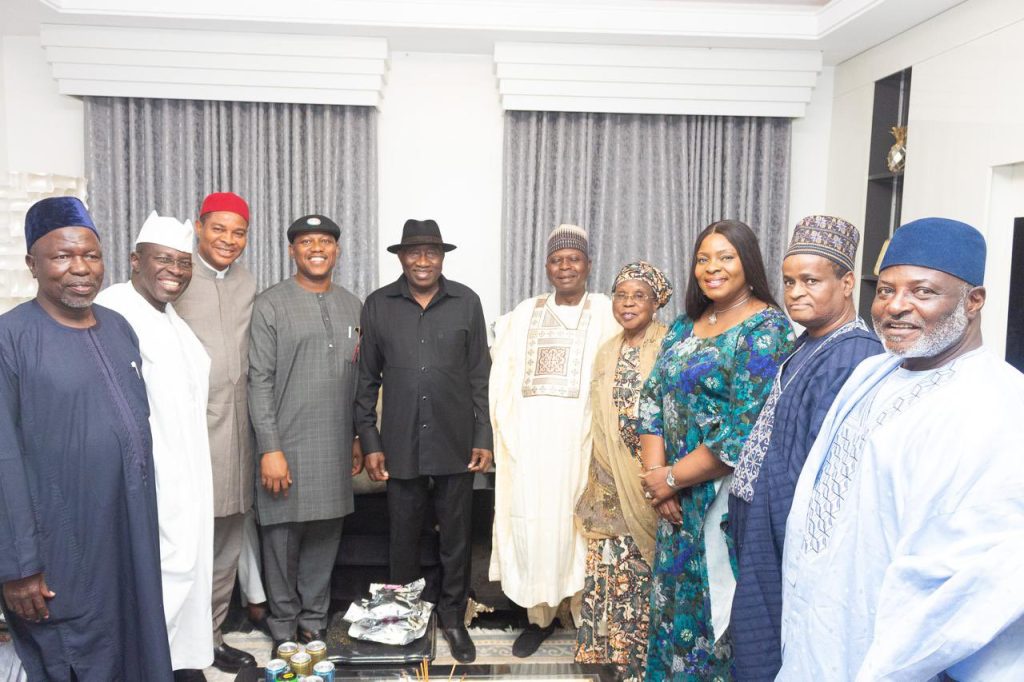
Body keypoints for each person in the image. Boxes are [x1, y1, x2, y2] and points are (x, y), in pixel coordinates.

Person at [779, 217, 1024, 680]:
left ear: (974, 301)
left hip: (900, 661)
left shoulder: (998, 404)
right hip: (821, 636)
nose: (896, 307)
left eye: (922, 292)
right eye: (886, 290)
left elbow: (981, 581)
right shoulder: (873, 373)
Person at [0, 196, 173, 680]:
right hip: (61, 548)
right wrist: (18, 567)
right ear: (33, 264)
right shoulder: (9, 339)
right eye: (62, 256)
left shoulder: (119, 328)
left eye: (91, 255)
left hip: (128, 532)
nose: (80, 268)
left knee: (136, 645)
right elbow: (3, 460)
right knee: (75, 654)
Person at [725, 215, 883, 681]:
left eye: (811, 280)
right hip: (763, 533)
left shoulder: (854, 352)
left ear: (847, 282)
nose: (795, 292)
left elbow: (821, 471)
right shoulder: (809, 343)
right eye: (790, 280)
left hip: (788, 542)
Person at [638, 219, 794, 680]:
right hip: (672, 504)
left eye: (725, 257)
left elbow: (741, 434)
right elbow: (651, 397)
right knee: (672, 613)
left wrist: (670, 479)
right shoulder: (687, 323)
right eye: (703, 259)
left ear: (748, 261)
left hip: (722, 507)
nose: (712, 268)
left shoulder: (766, 329)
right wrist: (658, 481)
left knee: (714, 619)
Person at [356, 219, 492, 664]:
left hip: (455, 443)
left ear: (442, 257)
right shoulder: (378, 305)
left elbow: (480, 377)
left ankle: (453, 618)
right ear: (400, 257)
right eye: (413, 252)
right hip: (399, 444)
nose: (422, 260)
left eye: (431, 252)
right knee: (403, 538)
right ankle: (403, 619)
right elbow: (366, 380)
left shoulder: (466, 302)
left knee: (456, 537)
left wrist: (482, 435)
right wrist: (371, 441)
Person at [96, 212, 216, 682]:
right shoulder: (113, 309)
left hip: (188, 471)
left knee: (189, 567)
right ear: (135, 260)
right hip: (151, 474)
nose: (176, 270)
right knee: (164, 572)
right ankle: (144, 666)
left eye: (184, 262)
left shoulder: (168, 317)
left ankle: (178, 662)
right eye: (163, 259)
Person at [489, 224, 618, 657]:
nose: (565, 266)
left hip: (583, 444)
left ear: (587, 265)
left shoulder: (605, 310)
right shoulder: (525, 312)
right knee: (535, 525)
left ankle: (586, 619)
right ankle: (539, 618)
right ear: (547, 266)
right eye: (557, 259)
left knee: (581, 528)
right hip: (532, 446)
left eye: (573, 259)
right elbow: (499, 369)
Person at [248, 215, 363, 652]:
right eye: (307, 241)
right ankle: (283, 626)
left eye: (326, 241)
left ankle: (314, 622)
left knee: (324, 537)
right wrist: (269, 448)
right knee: (281, 541)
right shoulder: (270, 304)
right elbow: (258, 380)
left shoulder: (354, 305)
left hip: (334, 444)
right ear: (292, 251)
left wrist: (355, 438)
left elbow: (359, 380)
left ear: (337, 250)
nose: (317, 248)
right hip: (285, 446)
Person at [573, 261, 673, 680]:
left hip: (649, 481)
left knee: (639, 573)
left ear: (656, 302)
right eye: (621, 295)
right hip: (607, 484)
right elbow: (598, 420)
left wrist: (663, 478)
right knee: (606, 568)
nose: (628, 303)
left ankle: (637, 665)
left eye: (639, 296)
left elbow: (673, 416)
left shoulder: (669, 344)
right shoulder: (606, 349)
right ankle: (606, 660)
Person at [174, 191, 259, 672]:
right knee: (186, 547)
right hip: (189, 434)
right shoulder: (176, 274)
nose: (228, 240)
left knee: (226, 546)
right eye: (218, 229)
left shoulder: (247, 282)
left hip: (238, 434)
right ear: (198, 227)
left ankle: (211, 637)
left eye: (239, 231)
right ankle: (174, 644)